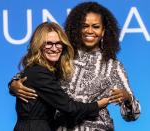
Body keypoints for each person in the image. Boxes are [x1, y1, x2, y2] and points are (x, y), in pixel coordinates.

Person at [9, 2, 141, 131]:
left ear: (103, 31)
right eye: (85, 26)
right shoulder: (63, 56)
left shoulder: (113, 66)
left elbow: (132, 116)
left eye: (95, 26)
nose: (89, 31)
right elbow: (32, 74)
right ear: (78, 29)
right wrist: (13, 85)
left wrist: (128, 99)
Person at [11, 22, 113, 131]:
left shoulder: (53, 69)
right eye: (48, 43)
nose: (54, 48)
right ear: (38, 45)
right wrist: (98, 105)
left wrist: (12, 85)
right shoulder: (39, 72)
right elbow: (69, 108)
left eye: (58, 43)